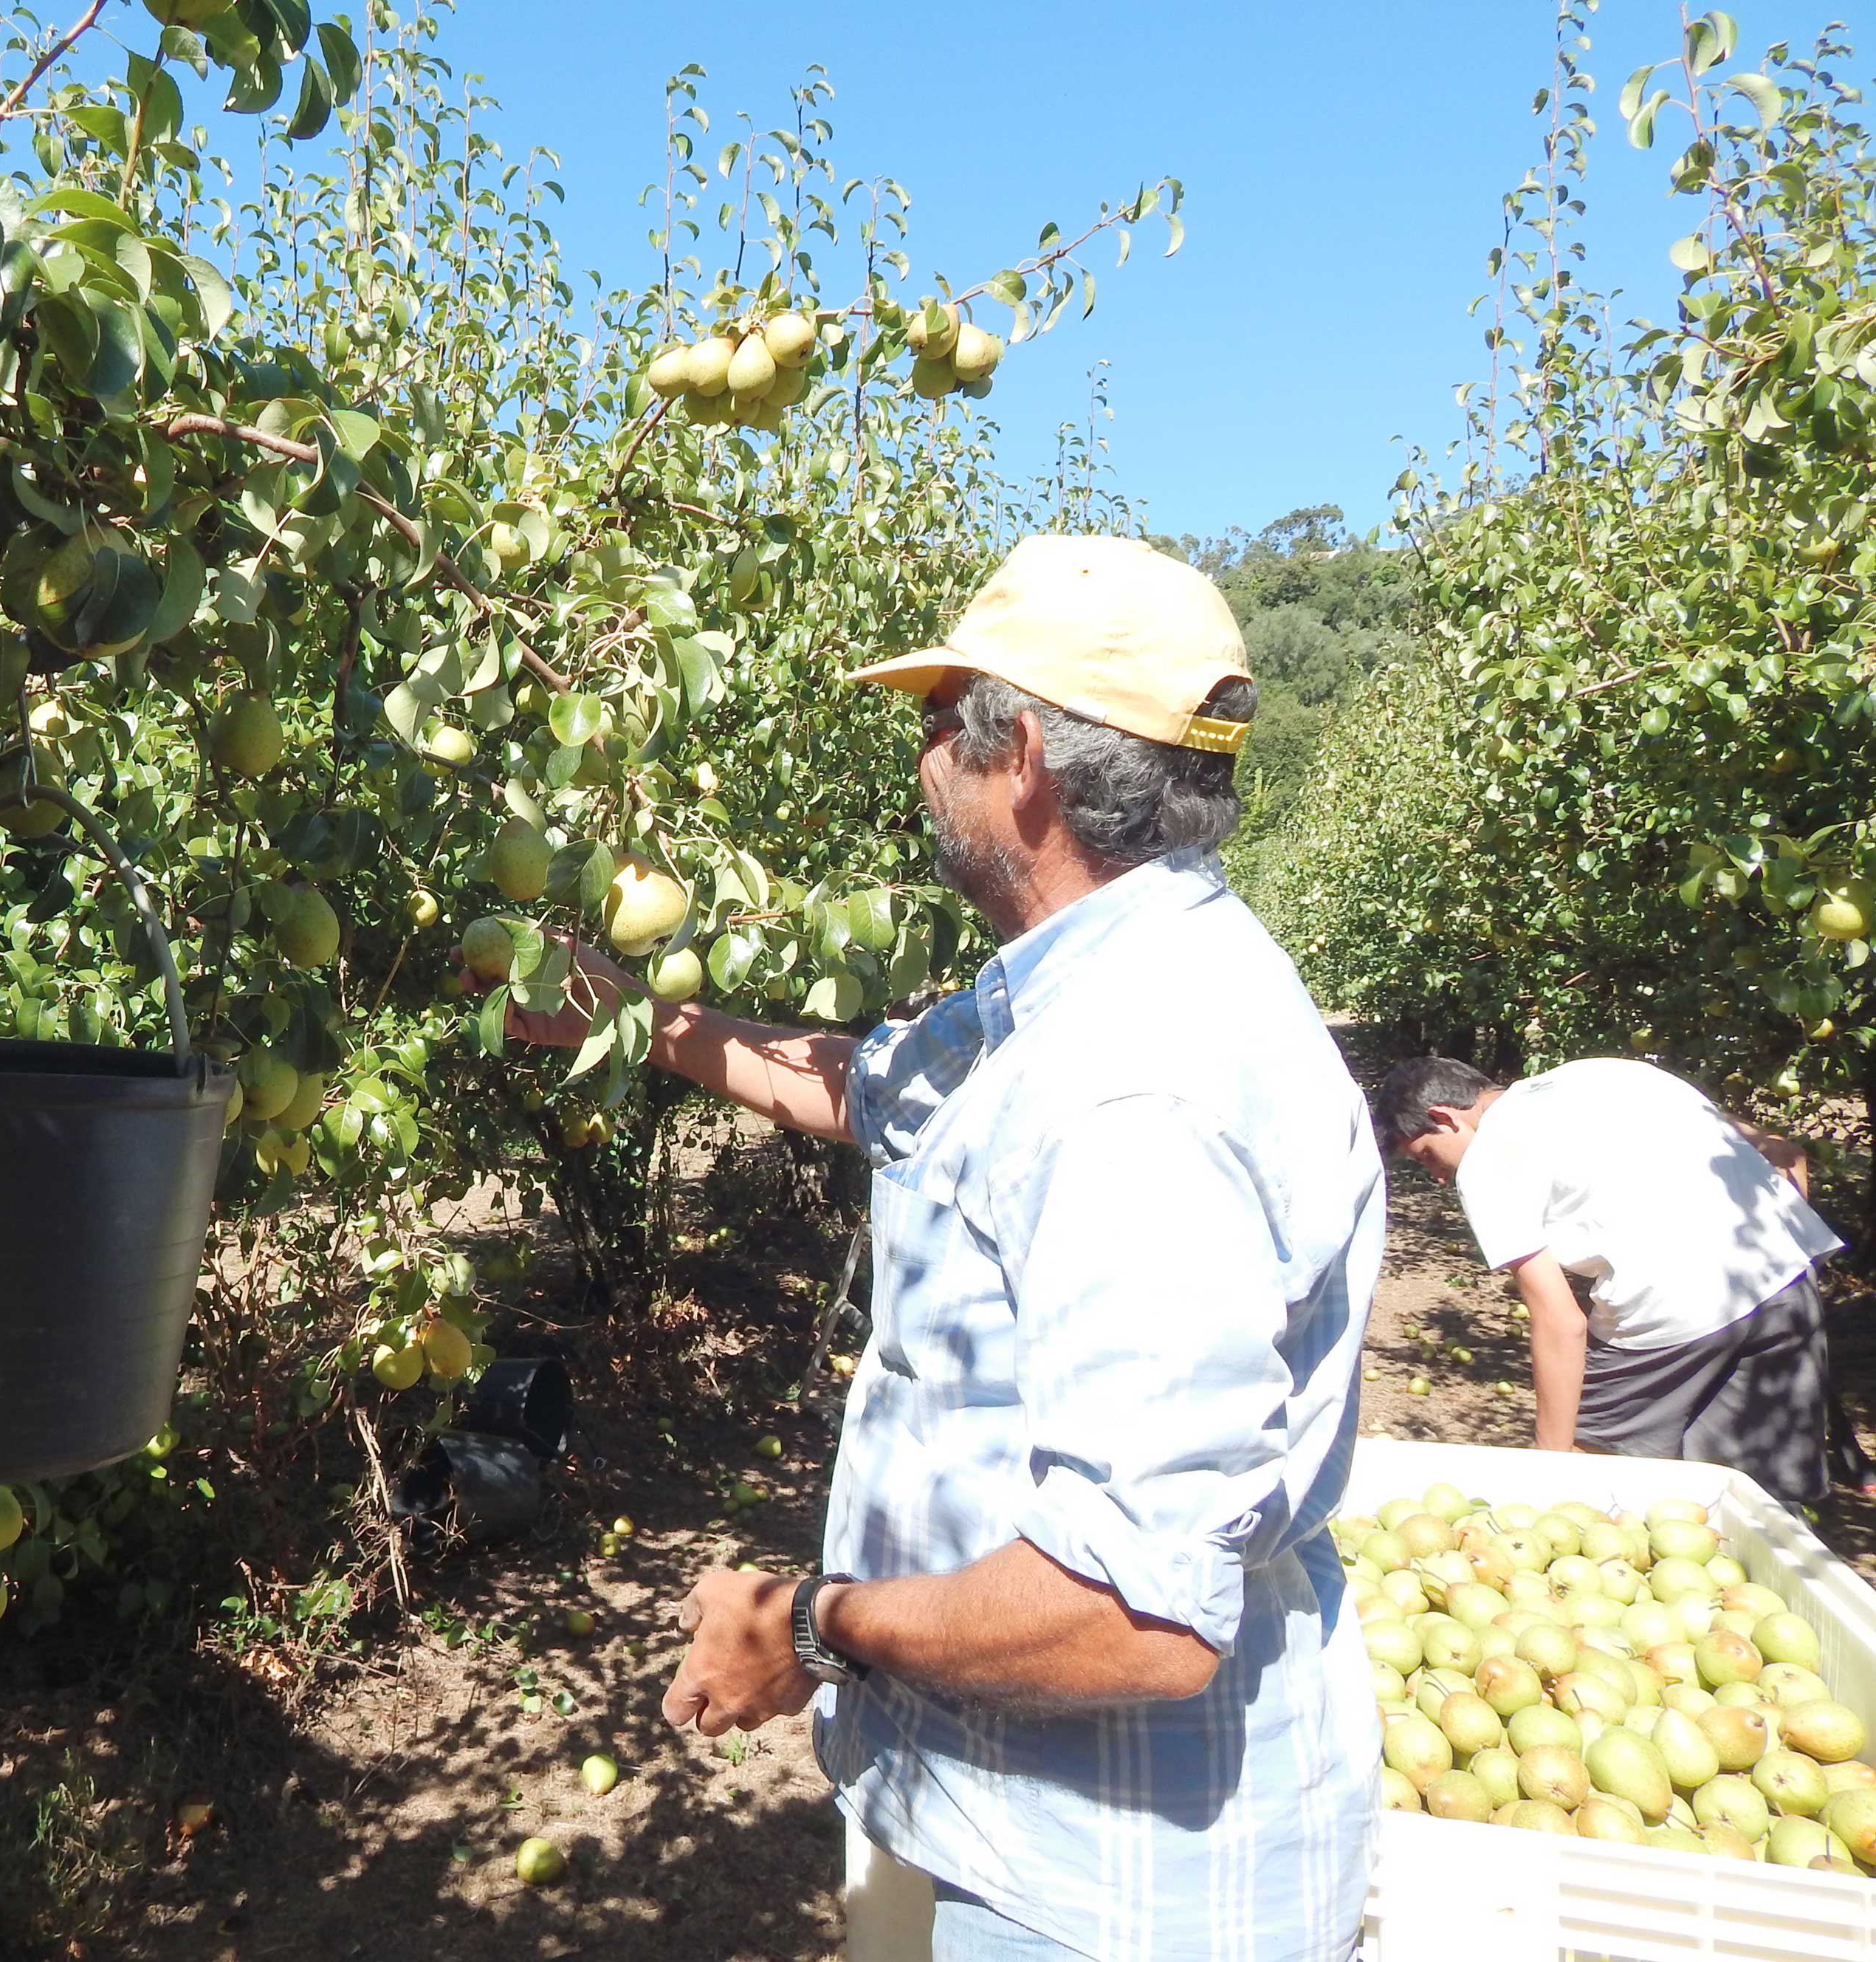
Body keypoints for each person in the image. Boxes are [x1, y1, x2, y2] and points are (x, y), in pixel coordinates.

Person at [499, 535, 1384, 1961]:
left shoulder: (1132, 1080)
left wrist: (809, 1624)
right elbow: (869, 1087)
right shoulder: (1084, 991)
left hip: (1105, 1885)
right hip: (1010, 1816)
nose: (920, 759)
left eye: (936, 724)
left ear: (1017, 753)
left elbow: (1133, 1611)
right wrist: (625, 1012)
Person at [1371, 1054, 1846, 1506]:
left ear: (1446, 1116)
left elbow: (1561, 1322)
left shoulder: (1488, 1159)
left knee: (1588, 1476)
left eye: (1427, 1155)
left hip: (1670, 1311)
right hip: (1785, 1281)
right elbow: (1784, 1151)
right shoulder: (1606, 1073)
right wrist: (1790, 1261)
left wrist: (1550, 1460)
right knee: (1758, 1501)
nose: (1436, 1176)